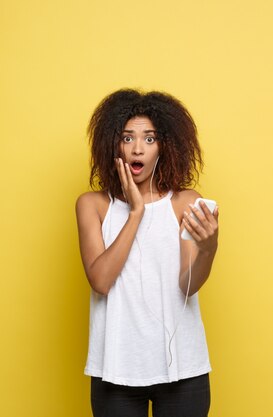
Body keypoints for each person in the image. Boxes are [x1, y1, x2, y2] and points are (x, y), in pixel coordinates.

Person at [75, 88, 219, 417]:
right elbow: (100, 280)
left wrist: (209, 249)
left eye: (150, 139)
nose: (137, 148)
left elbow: (187, 286)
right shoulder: (93, 206)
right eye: (127, 138)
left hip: (182, 368)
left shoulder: (185, 202)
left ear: (165, 146)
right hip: (115, 369)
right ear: (113, 144)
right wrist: (136, 213)